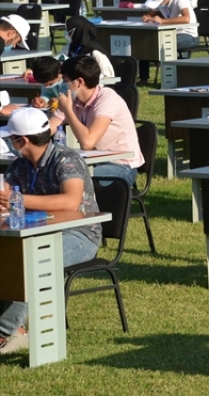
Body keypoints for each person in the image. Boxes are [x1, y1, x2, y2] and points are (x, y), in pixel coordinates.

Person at [0, 108, 101, 356]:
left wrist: (17, 199)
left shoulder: (66, 159)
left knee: (31, 263)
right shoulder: (20, 165)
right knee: (9, 257)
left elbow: (70, 202)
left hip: (79, 234)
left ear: (23, 140)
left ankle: (3, 332)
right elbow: (6, 195)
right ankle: (17, 331)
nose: (9, 143)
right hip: (34, 233)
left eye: (11, 138)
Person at [48, 55, 143, 185]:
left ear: (79, 82)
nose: (62, 85)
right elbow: (49, 128)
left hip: (120, 165)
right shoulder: (72, 100)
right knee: (51, 173)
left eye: (65, 80)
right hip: (92, 161)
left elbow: (88, 142)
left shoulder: (107, 98)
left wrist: (68, 110)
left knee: (70, 178)